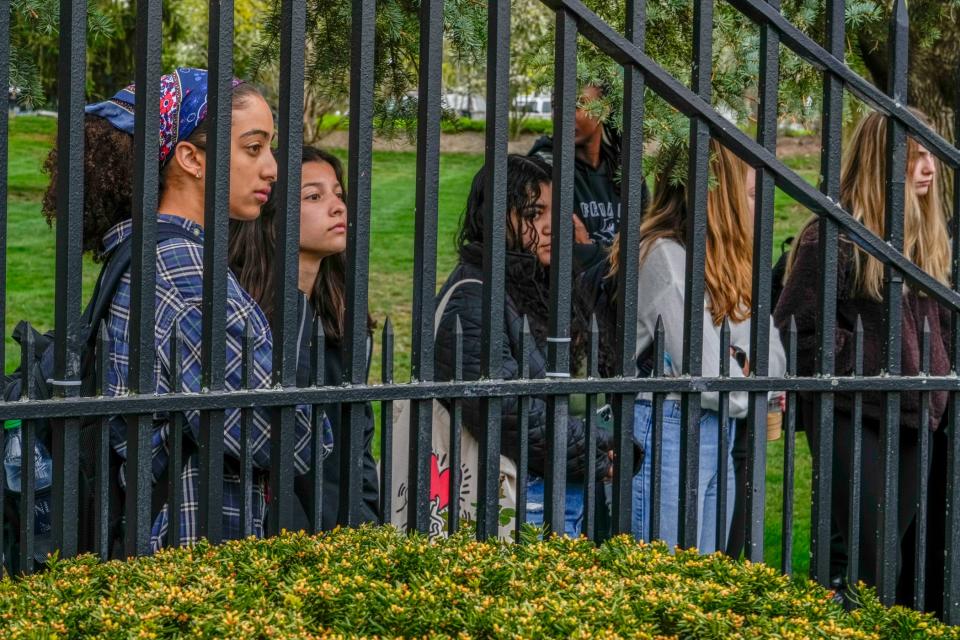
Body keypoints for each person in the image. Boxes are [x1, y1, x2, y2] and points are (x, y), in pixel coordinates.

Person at [48, 68, 330, 550]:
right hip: (191, 551)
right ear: (191, 158)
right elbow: (292, 439)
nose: (273, 169)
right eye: (253, 147)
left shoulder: (143, 253)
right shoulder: (184, 273)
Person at [774, 109, 951, 603]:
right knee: (872, 561)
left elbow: (940, 326)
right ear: (881, 161)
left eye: (930, 156)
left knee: (883, 559)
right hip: (853, 410)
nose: (929, 168)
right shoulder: (832, 235)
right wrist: (858, 361)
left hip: (918, 411)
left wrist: (936, 368)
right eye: (914, 156)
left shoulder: (927, 240)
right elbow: (795, 326)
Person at [434, 154, 634, 537]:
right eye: (533, 213)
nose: (549, 226)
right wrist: (599, 453)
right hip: (516, 494)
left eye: (556, 212)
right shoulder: (476, 295)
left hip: (558, 485)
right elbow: (509, 411)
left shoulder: (542, 284)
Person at [609, 139, 786, 552]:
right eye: (751, 194)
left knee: (704, 572)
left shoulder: (721, 262)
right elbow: (708, 376)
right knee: (667, 576)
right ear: (719, 196)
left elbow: (773, 356)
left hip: (717, 425)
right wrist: (742, 372)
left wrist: (740, 369)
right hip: (667, 423)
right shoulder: (664, 257)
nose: (762, 207)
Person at [229, 145, 380, 529]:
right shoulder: (246, 320)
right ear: (272, 216)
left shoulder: (340, 318)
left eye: (338, 195)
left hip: (343, 540)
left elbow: (357, 445)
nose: (338, 207)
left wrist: (366, 527)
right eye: (314, 196)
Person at [528, 83, 649, 269]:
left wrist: (590, 251)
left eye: (578, 104)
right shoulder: (543, 172)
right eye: (556, 106)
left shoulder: (626, 172)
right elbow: (560, 253)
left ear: (604, 109)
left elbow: (646, 245)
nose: (564, 115)